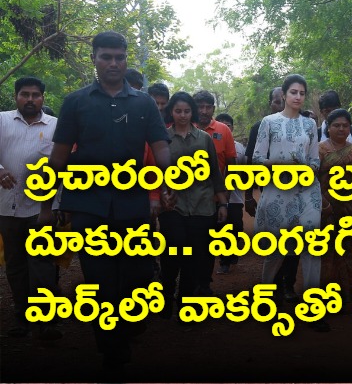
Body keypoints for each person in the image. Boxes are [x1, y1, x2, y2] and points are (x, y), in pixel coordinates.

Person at [37, 31, 172, 376]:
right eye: (106, 57)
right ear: (94, 59)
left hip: (132, 202)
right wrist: (48, 204)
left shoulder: (143, 104)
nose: (113, 63)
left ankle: (126, 327)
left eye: (119, 57)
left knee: (138, 275)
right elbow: (59, 156)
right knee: (99, 280)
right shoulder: (76, 102)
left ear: (126, 59)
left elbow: (160, 148)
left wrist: (170, 182)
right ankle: (111, 351)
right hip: (87, 204)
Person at [253, 74, 329, 331]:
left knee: (311, 248)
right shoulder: (269, 122)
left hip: (307, 191)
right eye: (293, 92)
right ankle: (264, 299)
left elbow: (315, 160)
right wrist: (280, 165)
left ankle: (313, 307)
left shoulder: (310, 125)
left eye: (302, 93)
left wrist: (305, 167)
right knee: (276, 249)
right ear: (284, 94)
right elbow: (257, 159)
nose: (298, 97)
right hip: (277, 190)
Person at [0, 76, 61, 340]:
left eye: (35, 95)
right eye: (25, 94)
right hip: (6, 207)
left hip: (42, 208)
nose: (30, 99)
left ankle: (46, 321)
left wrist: (56, 207)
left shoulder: (56, 127)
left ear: (42, 98)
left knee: (43, 266)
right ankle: (21, 317)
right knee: (14, 264)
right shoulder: (1, 121)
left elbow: (62, 168)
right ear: (16, 97)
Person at [158, 92, 227, 318]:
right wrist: (161, 194)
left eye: (187, 111)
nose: (183, 115)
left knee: (194, 254)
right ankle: (166, 294)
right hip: (173, 206)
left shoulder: (204, 139)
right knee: (173, 249)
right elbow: (157, 173)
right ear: (171, 112)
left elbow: (215, 172)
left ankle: (186, 301)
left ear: (192, 112)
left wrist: (223, 203)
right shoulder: (163, 139)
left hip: (202, 205)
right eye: (178, 111)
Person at [244, 87, 299, 302]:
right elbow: (250, 162)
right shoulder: (260, 127)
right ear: (271, 104)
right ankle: (272, 286)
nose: (281, 105)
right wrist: (248, 195)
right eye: (277, 102)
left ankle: (288, 286)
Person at [318, 109, 352, 304]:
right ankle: (332, 296)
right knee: (330, 251)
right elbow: (313, 181)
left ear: (350, 128)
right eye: (336, 125)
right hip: (329, 208)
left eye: (345, 125)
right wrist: (325, 203)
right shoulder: (320, 150)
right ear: (328, 127)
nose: (341, 129)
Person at [193, 90, 235, 291]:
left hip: (213, 197)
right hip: (186, 198)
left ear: (213, 108)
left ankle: (204, 282)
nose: (203, 111)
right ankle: (187, 282)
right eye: (200, 106)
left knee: (209, 241)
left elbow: (231, 163)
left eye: (208, 107)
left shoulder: (223, 130)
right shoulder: (182, 127)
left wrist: (225, 194)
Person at [215, 112, 245, 274]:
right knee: (221, 228)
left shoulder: (240, 148)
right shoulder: (211, 142)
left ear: (232, 128)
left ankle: (232, 252)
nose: (225, 127)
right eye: (222, 124)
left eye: (228, 125)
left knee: (235, 227)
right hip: (217, 197)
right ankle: (224, 260)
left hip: (235, 197)